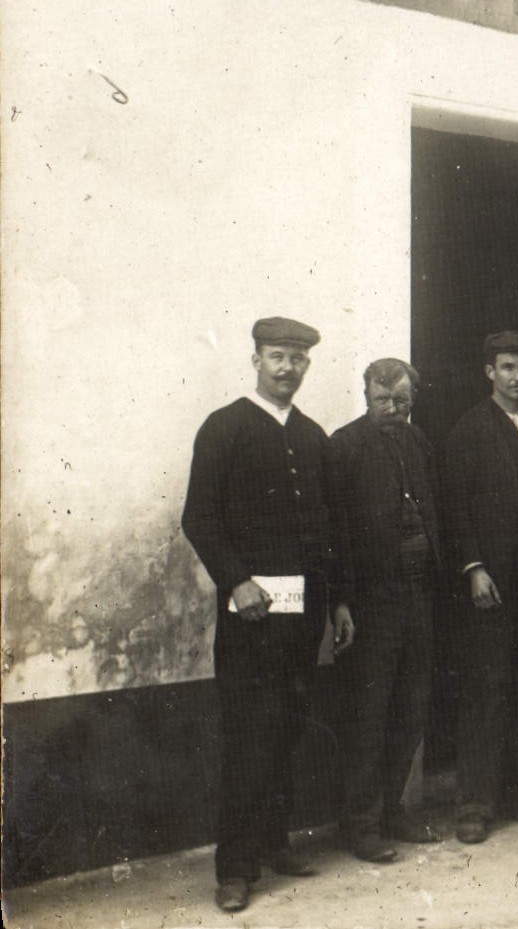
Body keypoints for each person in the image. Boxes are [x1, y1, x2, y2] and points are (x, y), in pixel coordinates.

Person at [182, 316, 331, 915]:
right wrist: (237, 581)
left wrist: (336, 600)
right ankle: (235, 867)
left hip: (302, 613)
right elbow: (199, 517)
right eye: (277, 357)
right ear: (256, 359)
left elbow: (327, 527)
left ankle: (274, 843)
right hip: (250, 617)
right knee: (248, 734)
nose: (288, 368)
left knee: (289, 724)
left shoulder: (314, 436)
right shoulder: (225, 428)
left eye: (297, 358)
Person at [441, 330, 518, 844]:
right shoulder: (469, 429)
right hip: (488, 583)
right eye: (509, 367)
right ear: (489, 371)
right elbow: (453, 506)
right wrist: (473, 568)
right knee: (485, 689)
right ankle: (476, 802)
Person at [331, 359, 442, 863]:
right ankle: (361, 824)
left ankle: (394, 809)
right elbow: (331, 534)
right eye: (383, 400)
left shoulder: (419, 443)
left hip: (420, 598)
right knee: (368, 715)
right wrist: (341, 603)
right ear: (366, 395)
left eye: (402, 401)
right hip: (373, 604)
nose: (393, 410)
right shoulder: (344, 447)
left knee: (411, 710)